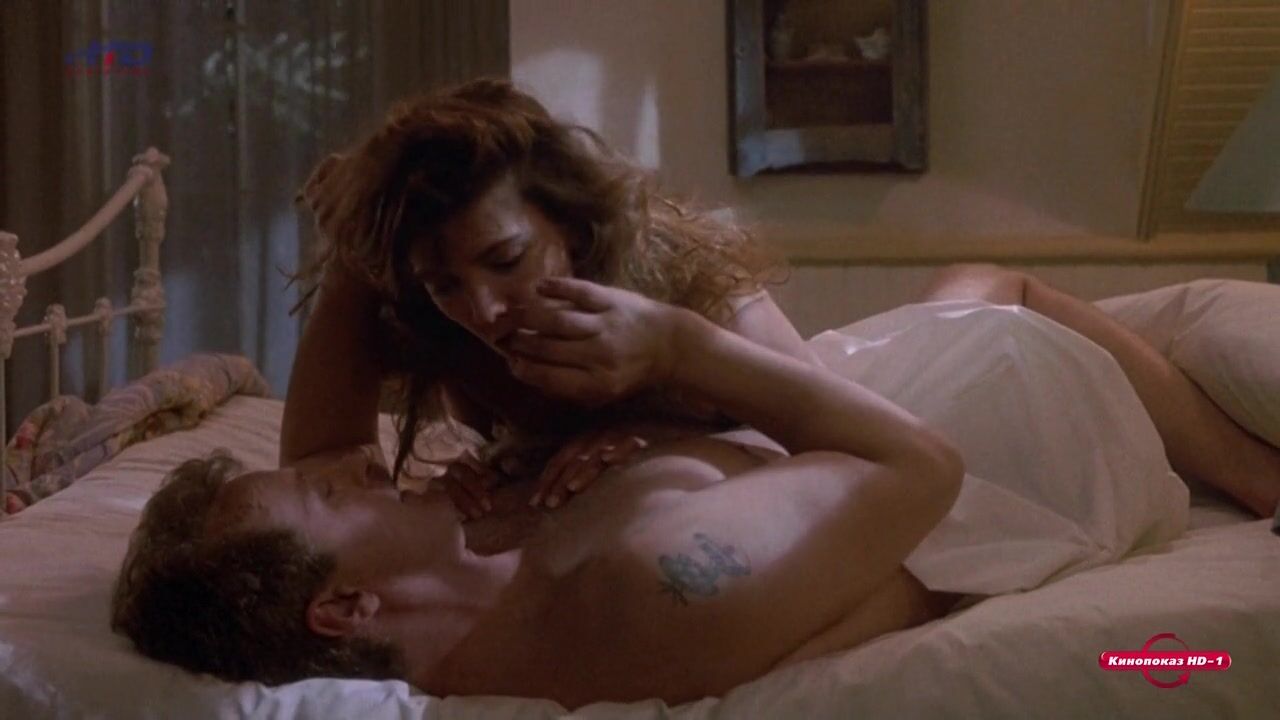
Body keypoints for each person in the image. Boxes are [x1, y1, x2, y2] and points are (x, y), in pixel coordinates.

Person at [112, 277, 967, 706]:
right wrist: (678, 347)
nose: (364, 465)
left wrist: (649, 438)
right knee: (994, 297)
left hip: (845, 403)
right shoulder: (641, 586)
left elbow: (328, 440)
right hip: (957, 430)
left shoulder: (478, 564)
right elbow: (923, 468)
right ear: (343, 609)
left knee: (977, 288)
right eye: (329, 494)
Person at [281, 77, 819, 516]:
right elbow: (318, 474)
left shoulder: (694, 284)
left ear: (573, 225)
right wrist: (352, 259)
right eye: (445, 284)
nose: (485, 309)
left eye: (506, 260)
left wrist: (668, 436)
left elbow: (834, 437)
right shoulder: (447, 329)